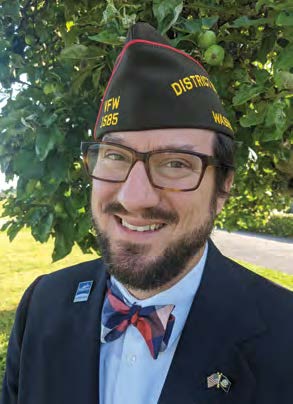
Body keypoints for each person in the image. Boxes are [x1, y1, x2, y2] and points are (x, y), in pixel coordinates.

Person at [1, 22, 293, 404]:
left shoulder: (285, 336)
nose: (135, 197)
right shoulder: (42, 305)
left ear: (222, 187)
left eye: (175, 163)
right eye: (116, 156)